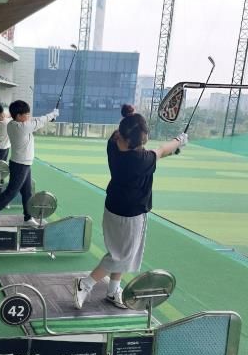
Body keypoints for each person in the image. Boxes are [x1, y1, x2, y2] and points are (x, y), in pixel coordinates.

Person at [73, 104, 188, 309]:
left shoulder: (113, 143)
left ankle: (112, 290)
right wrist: (179, 140)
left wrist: (131, 117)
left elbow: (156, 153)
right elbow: (161, 150)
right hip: (131, 214)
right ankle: (86, 284)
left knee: (120, 252)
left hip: (113, 207)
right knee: (122, 256)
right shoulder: (140, 159)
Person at [0, 100, 58, 226]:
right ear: (18, 116)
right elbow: (38, 122)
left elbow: (33, 120)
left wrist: (49, 118)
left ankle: (28, 218)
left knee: (27, 192)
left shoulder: (12, 123)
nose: (28, 116)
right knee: (11, 192)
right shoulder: (21, 127)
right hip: (20, 165)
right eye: (26, 114)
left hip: (23, 164)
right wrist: (52, 114)